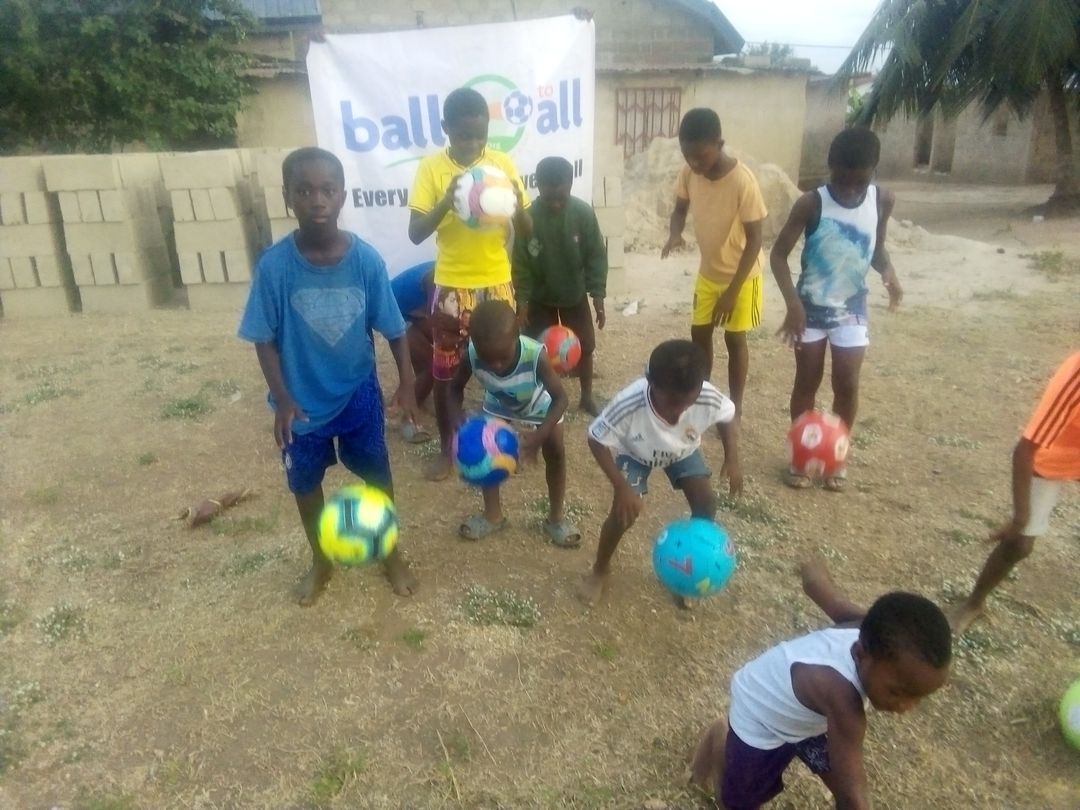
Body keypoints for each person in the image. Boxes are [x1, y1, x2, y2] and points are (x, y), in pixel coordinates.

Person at [239, 147, 420, 606]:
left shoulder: (366, 262)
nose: (316, 200)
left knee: (377, 476)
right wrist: (282, 398)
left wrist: (407, 382)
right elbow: (263, 338)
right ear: (287, 197)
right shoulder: (275, 267)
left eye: (327, 189)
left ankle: (390, 553)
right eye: (304, 191)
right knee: (304, 484)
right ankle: (321, 561)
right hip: (300, 404)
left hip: (358, 394)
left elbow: (395, 329)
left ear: (342, 196)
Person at [691, 557, 952, 810]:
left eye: (919, 697)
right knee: (740, 802)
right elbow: (852, 798)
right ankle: (723, 737)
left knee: (842, 775)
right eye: (897, 692)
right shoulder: (842, 700)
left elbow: (816, 585)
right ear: (861, 653)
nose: (906, 707)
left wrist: (811, 564)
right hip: (761, 716)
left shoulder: (869, 628)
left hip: (805, 717)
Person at [408, 86, 532, 481]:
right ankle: (448, 449)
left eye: (480, 135)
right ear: (445, 128)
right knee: (446, 371)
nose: (474, 143)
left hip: (497, 284)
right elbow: (415, 233)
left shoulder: (500, 164)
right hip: (452, 286)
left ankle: (507, 440)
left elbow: (527, 231)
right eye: (464, 136)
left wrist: (516, 206)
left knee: (505, 365)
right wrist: (448, 202)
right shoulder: (431, 169)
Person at [771, 128, 903, 491]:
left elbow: (875, 248)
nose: (849, 189)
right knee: (807, 380)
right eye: (842, 179)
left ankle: (836, 454)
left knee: (847, 382)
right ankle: (802, 455)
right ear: (830, 167)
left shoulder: (882, 200)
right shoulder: (811, 203)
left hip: (851, 308)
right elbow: (778, 255)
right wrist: (793, 304)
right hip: (809, 310)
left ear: (873, 171)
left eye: (859, 181)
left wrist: (889, 272)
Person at [578, 339, 741, 606]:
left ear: (700, 387)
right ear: (650, 382)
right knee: (623, 514)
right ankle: (600, 570)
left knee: (706, 503)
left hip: (682, 451)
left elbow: (726, 416)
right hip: (636, 454)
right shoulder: (629, 403)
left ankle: (688, 572)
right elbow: (596, 439)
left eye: (687, 402)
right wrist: (621, 487)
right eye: (671, 401)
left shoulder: (707, 395)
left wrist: (732, 458)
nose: (678, 411)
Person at [949, 350, 1080, 633]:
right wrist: (1020, 519)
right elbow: (1025, 450)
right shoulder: (1076, 378)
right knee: (1020, 544)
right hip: (1053, 456)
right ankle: (974, 603)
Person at [662, 108, 767, 422]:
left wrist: (732, 292)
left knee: (734, 339)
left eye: (701, 157)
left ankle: (735, 407)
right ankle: (701, 395)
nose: (695, 164)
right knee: (699, 334)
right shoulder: (689, 173)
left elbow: (756, 240)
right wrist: (675, 233)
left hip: (742, 277)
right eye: (688, 156)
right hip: (708, 273)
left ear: (719, 145)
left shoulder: (743, 181)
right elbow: (680, 209)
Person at [448, 300, 579, 546]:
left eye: (503, 357)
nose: (496, 366)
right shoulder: (472, 355)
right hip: (499, 404)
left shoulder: (535, 356)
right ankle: (493, 516)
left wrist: (540, 435)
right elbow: (454, 389)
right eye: (488, 359)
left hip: (540, 404)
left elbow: (561, 399)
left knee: (556, 451)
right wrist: (457, 418)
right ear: (474, 344)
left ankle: (556, 519)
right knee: (486, 451)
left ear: (517, 336)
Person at [513, 155, 608, 416]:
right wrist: (522, 302)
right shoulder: (528, 218)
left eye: (561, 197)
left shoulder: (583, 213)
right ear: (537, 185)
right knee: (535, 350)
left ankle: (586, 396)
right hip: (539, 298)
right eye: (549, 198)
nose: (556, 202)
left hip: (573, 295)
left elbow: (596, 255)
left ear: (570, 184)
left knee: (585, 346)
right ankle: (539, 399)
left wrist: (598, 295)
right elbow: (520, 264)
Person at [390, 260, 436, 443]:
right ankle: (406, 416)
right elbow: (435, 313)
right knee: (431, 368)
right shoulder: (436, 279)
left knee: (443, 357)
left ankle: (415, 396)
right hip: (398, 310)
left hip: (416, 308)